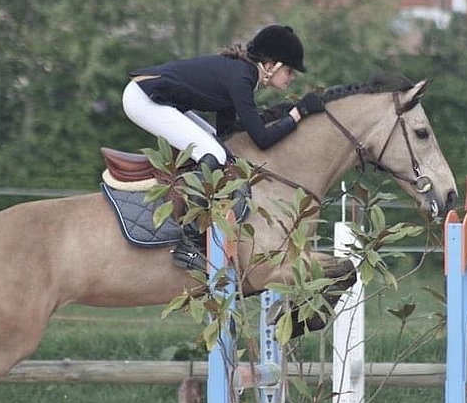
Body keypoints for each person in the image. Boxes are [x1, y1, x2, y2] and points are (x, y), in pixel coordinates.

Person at [122, 24, 325, 269]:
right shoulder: (241, 78)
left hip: (156, 98)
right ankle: (189, 242)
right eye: (290, 70)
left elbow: (228, 132)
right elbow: (262, 139)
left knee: (220, 149)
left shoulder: (242, 75)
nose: (291, 78)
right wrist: (297, 113)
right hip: (142, 99)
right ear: (271, 65)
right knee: (213, 153)